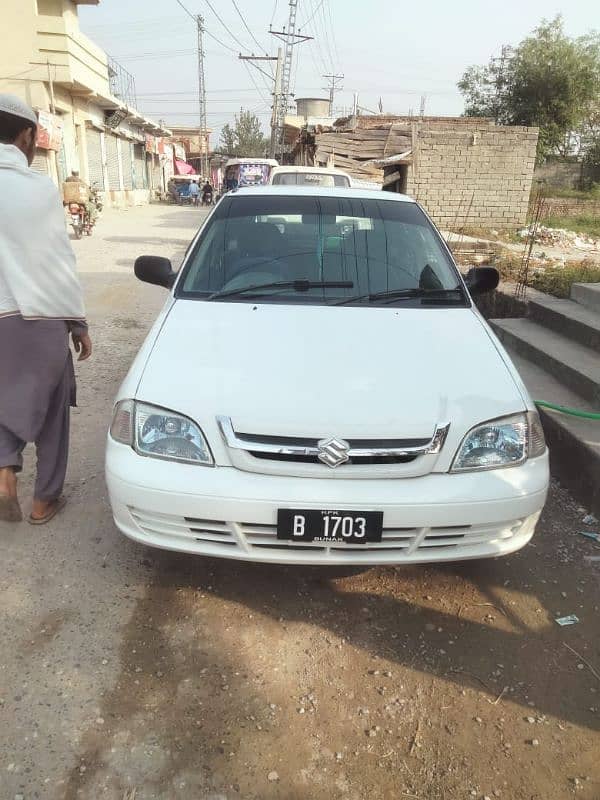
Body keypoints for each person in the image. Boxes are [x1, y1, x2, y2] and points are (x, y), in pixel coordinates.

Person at [0, 95, 92, 524]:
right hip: (39, 319)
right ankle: (43, 501)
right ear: (26, 135)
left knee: (3, 402)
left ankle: (4, 473)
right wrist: (78, 323)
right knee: (53, 407)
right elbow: (58, 259)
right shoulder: (37, 187)